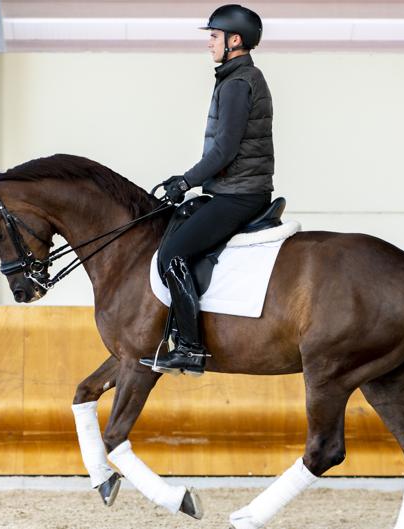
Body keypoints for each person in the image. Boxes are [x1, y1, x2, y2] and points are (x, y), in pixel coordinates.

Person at [141, 4, 274, 376]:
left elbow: (224, 150)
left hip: (240, 194)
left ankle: (189, 348)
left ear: (235, 40)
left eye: (214, 37)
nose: (209, 44)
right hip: (238, 188)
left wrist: (185, 181)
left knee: (173, 254)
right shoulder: (238, 78)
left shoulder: (236, 84)